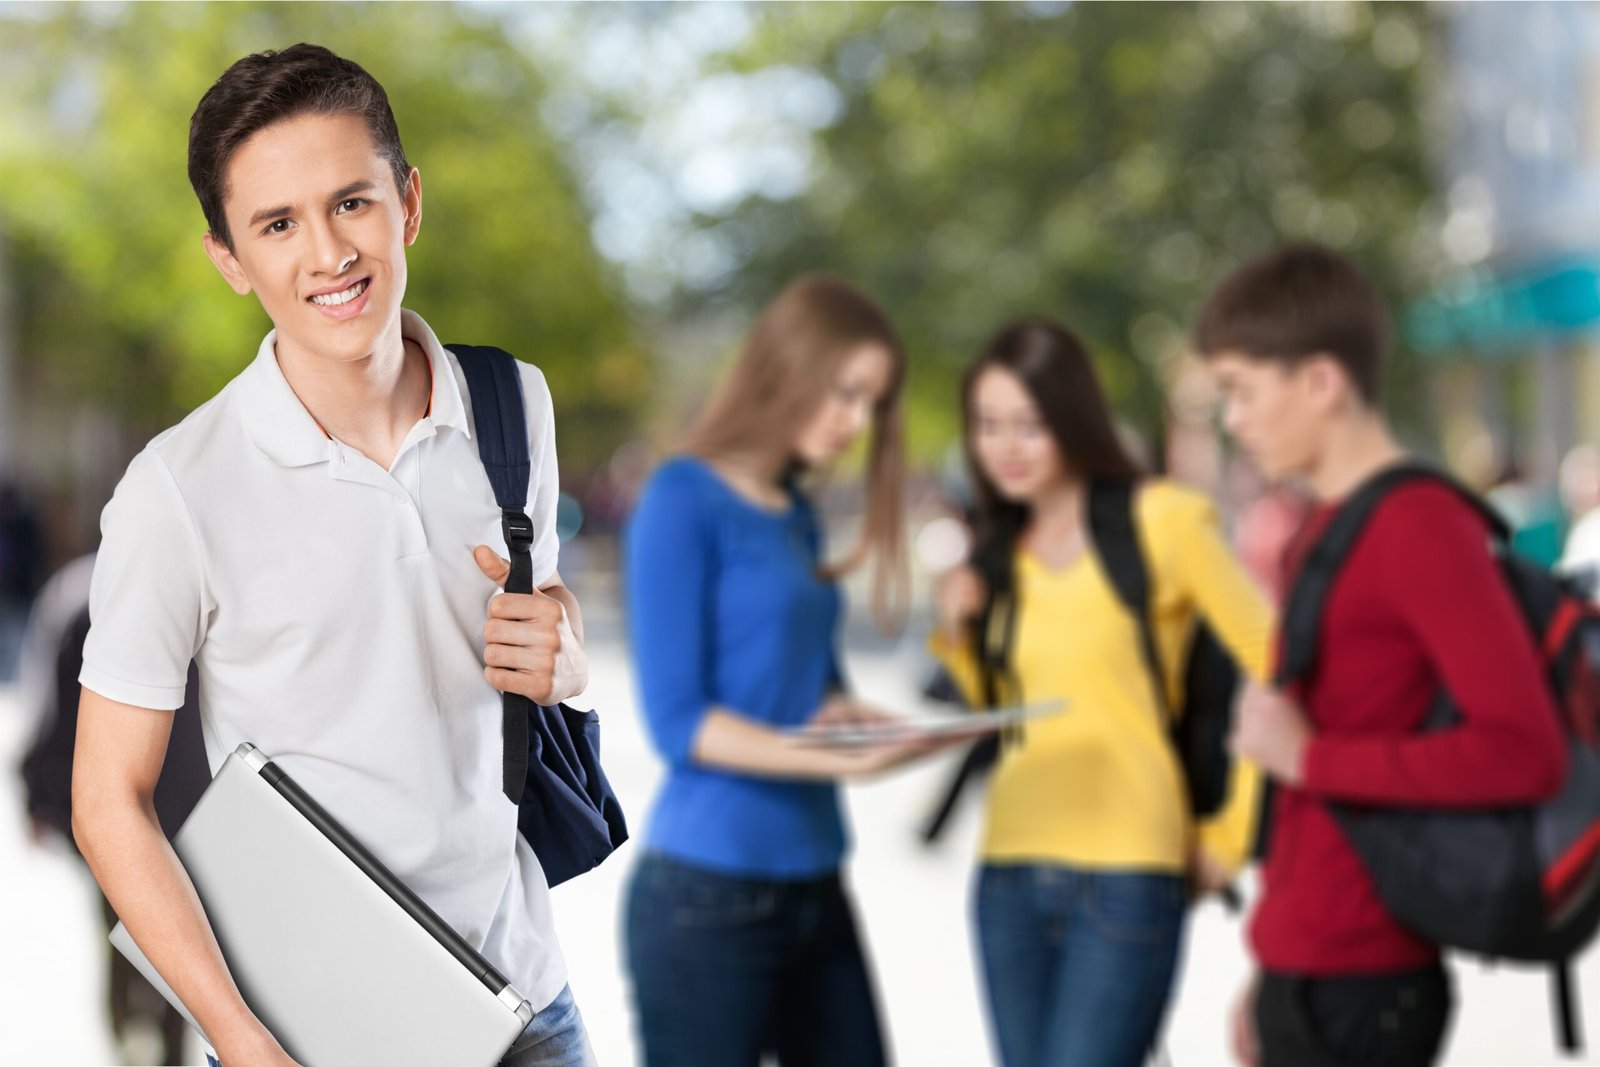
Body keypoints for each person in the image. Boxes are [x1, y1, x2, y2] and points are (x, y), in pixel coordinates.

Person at [71, 44, 595, 1067]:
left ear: (408, 203)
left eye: (351, 202)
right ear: (230, 259)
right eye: (278, 224)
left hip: (525, 1000)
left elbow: (543, 623)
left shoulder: (510, 401)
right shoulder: (178, 488)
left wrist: (566, 658)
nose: (328, 253)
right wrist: (239, 1036)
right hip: (315, 1032)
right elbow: (107, 799)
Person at [1196, 244, 1567, 1067]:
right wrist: (1273, 964)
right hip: (1309, 964)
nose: (1232, 419)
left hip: (1368, 979)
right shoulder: (1325, 525)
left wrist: (1310, 756)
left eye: (1241, 390)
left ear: (1320, 382)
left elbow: (1523, 750)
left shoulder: (1420, 526)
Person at [622, 275, 958, 1066]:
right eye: (845, 392)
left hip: (817, 876)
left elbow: (812, 678)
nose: (856, 422)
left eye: (872, 403)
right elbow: (678, 722)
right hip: (705, 894)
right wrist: (832, 759)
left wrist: (861, 719)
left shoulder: (796, 511)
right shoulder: (681, 496)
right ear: (785, 367)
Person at [930, 318, 1273, 1067]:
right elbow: (1005, 710)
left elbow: (1273, 662)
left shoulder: (1165, 521)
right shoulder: (998, 551)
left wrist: (1233, 833)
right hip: (1009, 869)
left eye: (1029, 424)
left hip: (1128, 872)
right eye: (988, 425)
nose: (1006, 447)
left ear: (1074, 418)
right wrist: (958, 630)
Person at [19, 552, 209, 1066]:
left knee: (160, 938)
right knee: (148, 934)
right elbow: (50, 699)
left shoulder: (88, 592)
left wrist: (36, 787)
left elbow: (44, 700)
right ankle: (141, 1041)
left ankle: (152, 1043)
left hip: (157, 805)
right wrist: (38, 788)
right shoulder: (83, 595)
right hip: (136, 808)